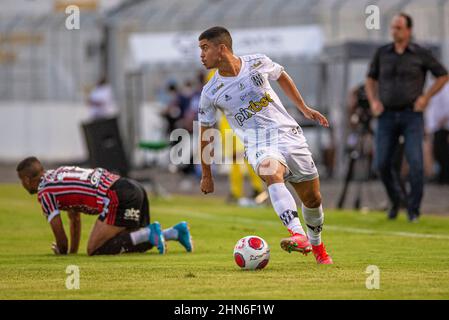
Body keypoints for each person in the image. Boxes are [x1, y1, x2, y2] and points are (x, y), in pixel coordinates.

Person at [197, 26, 332, 264]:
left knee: (313, 199)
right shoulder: (210, 91)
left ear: (222, 48)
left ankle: (318, 247)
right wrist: (206, 174)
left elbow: (281, 75)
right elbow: (206, 133)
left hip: (289, 135)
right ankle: (298, 234)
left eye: (205, 48)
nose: (201, 54)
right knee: (271, 171)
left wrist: (304, 108)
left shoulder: (257, 62)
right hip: (259, 143)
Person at [16, 157, 193, 256]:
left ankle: (150, 232)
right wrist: (72, 252)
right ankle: (175, 232)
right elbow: (74, 219)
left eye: (21, 181)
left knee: (95, 249)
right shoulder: (58, 174)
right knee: (131, 238)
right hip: (133, 187)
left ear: (26, 180)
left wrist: (62, 252)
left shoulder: (45, 191)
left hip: (116, 195)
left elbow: (58, 231)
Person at [365, 13, 449, 222]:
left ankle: (413, 210)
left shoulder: (420, 53)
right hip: (386, 115)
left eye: (399, 27)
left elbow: (443, 75)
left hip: (412, 115)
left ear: (408, 30)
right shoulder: (382, 53)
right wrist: (373, 101)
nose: (395, 31)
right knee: (382, 163)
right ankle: (395, 200)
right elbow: (370, 78)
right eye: (393, 27)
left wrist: (426, 97)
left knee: (416, 163)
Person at [426, 83, 449, 184]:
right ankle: (442, 176)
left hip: (443, 126)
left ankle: (445, 177)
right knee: (438, 152)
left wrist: (442, 121)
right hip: (436, 127)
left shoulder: (445, 88)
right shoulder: (436, 88)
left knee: (442, 153)